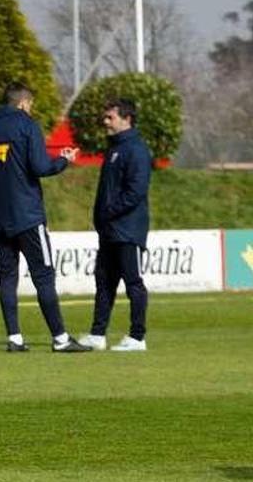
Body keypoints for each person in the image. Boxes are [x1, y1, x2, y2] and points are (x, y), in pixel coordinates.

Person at [0, 82, 90, 353]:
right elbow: (40, 166)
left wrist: (0, 177)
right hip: (28, 216)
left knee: (7, 277)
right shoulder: (27, 125)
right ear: (23, 103)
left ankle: (15, 338)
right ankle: (60, 338)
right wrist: (64, 161)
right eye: (30, 105)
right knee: (43, 276)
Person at [83, 98, 151, 352]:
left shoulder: (137, 150)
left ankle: (137, 337)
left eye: (110, 117)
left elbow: (135, 192)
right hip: (110, 229)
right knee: (104, 281)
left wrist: (109, 212)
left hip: (128, 230)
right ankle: (97, 334)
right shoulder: (113, 149)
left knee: (133, 281)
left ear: (126, 119)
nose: (105, 122)